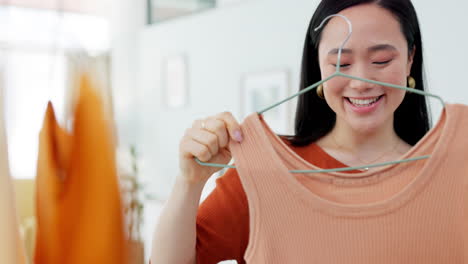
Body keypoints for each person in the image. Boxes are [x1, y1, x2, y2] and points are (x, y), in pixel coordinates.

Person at [151, 0, 467, 263]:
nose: (361, 81)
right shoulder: (262, 175)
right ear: (318, 65)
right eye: (341, 64)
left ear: (411, 57)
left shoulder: (457, 170)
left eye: (381, 59)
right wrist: (189, 182)